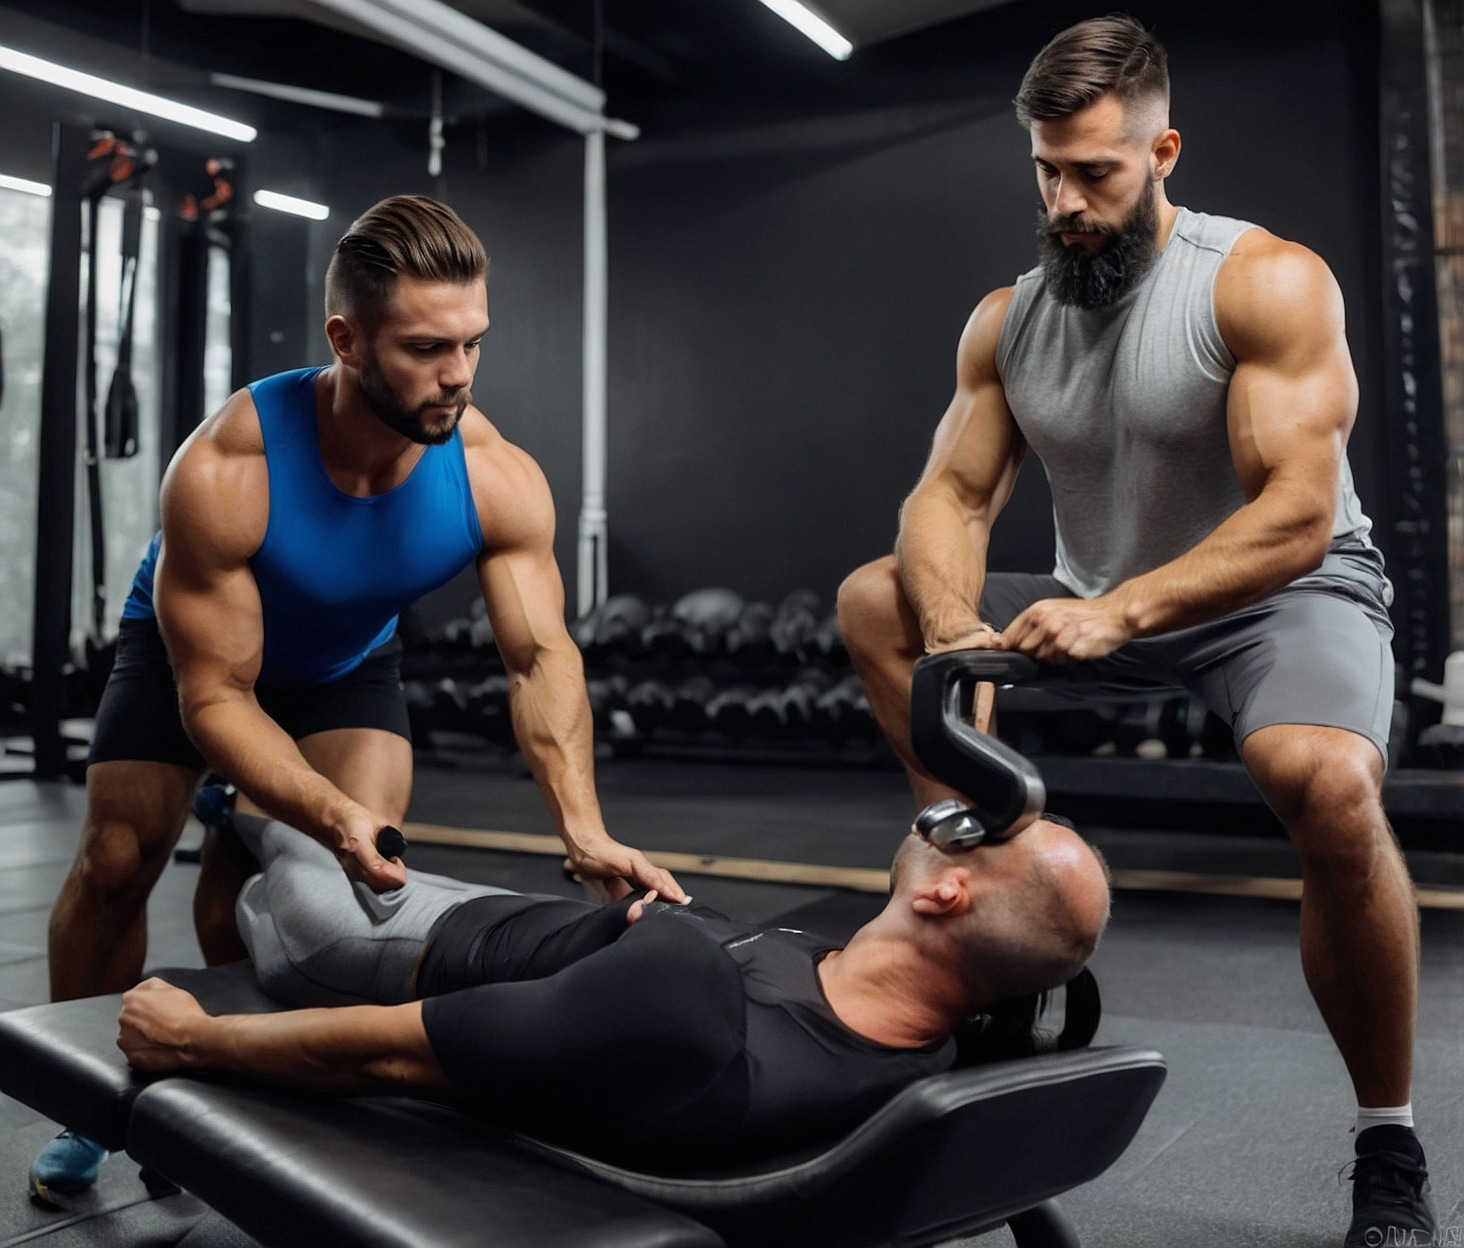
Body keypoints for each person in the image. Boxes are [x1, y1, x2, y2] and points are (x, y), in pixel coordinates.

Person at [835, 17, 1433, 1247]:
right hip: (1089, 601)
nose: (1067, 200)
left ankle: (1391, 1140)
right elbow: (947, 499)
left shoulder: (1259, 280)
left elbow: (1297, 516)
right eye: (1047, 170)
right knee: (872, 601)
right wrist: (956, 634)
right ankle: (988, 853)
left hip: (1279, 599)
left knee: (1323, 784)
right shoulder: (1008, 318)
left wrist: (1120, 611)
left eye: (1095, 172)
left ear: (1162, 151)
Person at [35, 194, 685, 1203]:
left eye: (473, 343)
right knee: (118, 861)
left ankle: (211, 1074)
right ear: (345, 338)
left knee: (325, 886)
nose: (458, 374)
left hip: (345, 665)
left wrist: (584, 828)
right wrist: (322, 804)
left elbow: (541, 658)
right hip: (186, 657)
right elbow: (217, 696)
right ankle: (87, 1100)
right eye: (427, 348)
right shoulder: (226, 465)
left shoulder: (492, 474)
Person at [115, 808, 1111, 1168]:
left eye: (985, 837)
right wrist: (623, 919)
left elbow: (389, 1051)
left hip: (376, 952)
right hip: (495, 914)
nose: (952, 821)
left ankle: (227, 802)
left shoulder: (689, 1015)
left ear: (943, 893)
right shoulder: (886, 1013)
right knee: (339, 813)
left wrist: (196, 1039)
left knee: (290, 830)